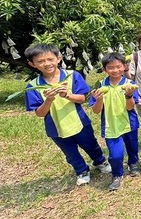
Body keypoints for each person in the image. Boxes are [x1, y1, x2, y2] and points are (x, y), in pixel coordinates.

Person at [24, 43, 111, 186]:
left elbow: (82, 98)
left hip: (80, 121)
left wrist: (67, 95)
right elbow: (40, 113)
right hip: (55, 127)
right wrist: (49, 100)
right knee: (70, 152)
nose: (47, 64)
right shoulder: (33, 86)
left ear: (59, 58)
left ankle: (100, 161)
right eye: (40, 61)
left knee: (91, 144)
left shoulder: (72, 76)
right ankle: (81, 170)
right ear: (32, 64)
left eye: (50, 59)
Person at [89, 52, 140, 191]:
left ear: (124, 67)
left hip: (129, 123)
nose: (115, 70)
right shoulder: (100, 86)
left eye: (118, 66)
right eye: (111, 67)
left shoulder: (130, 84)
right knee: (115, 155)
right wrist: (99, 99)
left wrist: (129, 95)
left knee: (132, 147)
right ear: (105, 70)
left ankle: (133, 163)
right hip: (111, 126)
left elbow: (130, 107)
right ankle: (117, 174)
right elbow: (96, 111)